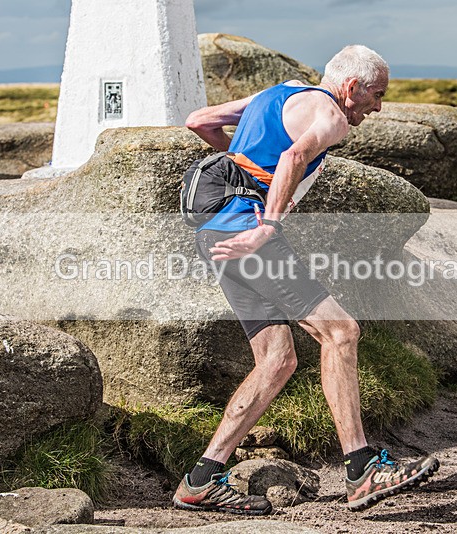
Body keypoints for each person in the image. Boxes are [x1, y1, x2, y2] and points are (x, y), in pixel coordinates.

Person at [174, 45, 439, 515]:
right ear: (351, 86)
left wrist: (250, 173)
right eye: (376, 95)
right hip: (244, 232)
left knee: (276, 361)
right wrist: (266, 226)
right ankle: (362, 468)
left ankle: (201, 480)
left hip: (214, 231)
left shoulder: (278, 94)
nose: (378, 107)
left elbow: (200, 120)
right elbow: (296, 156)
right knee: (341, 331)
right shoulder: (332, 115)